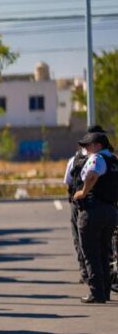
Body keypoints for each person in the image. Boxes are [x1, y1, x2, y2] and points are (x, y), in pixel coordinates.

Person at [71, 128, 118, 303]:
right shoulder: (114, 160)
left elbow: (91, 175)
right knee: (105, 252)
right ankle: (104, 291)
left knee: (91, 252)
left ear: (98, 145)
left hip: (93, 210)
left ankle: (96, 292)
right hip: (111, 210)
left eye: (88, 145)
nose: (86, 149)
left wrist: (83, 192)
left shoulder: (97, 158)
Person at [64, 143, 91, 284]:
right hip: (105, 204)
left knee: (80, 238)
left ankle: (85, 272)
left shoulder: (74, 160)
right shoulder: (107, 159)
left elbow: (67, 181)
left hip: (79, 203)